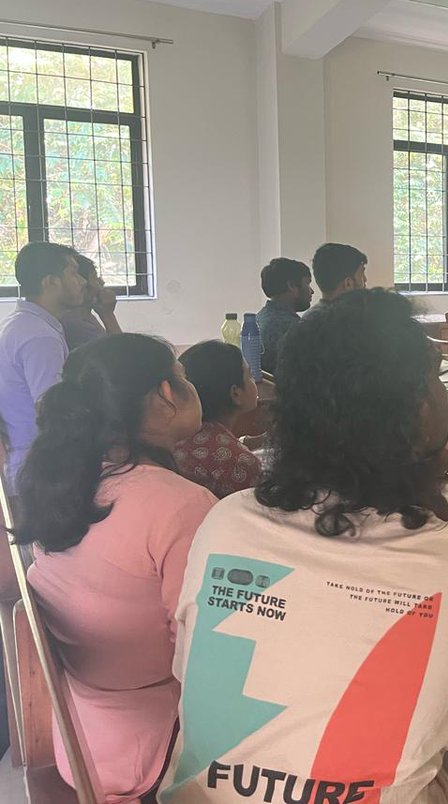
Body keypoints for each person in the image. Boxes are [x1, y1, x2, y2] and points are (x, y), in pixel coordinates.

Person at [160, 289, 448, 802]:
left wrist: (419, 473)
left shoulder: (226, 519)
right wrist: (424, 477)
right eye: (438, 380)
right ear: (421, 408)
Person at [12, 334, 215, 800]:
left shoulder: (61, 481)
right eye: (183, 377)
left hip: (81, 737)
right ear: (166, 394)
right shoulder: (178, 504)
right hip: (154, 745)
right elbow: (199, 651)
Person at [0, 241, 88, 479]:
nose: (82, 281)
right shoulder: (39, 336)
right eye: (73, 273)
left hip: (25, 462)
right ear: (50, 282)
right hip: (40, 470)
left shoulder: (21, 324)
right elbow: (50, 408)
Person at [174, 341, 263, 499]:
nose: (254, 381)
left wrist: (249, 442)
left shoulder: (177, 435)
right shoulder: (240, 462)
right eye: (249, 375)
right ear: (236, 393)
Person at [255, 257, 313, 373]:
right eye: (307, 284)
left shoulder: (260, 318)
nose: (311, 291)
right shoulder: (292, 328)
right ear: (291, 285)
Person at [62, 254, 122, 351]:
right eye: (94, 278)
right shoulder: (76, 325)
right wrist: (108, 316)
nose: (101, 282)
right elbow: (122, 354)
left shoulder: (85, 316)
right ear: (81, 284)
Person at [303, 242, 368, 319]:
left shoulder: (308, 319)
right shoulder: (351, 321)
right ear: (348, 283)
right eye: (362, 274)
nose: (365, 279)